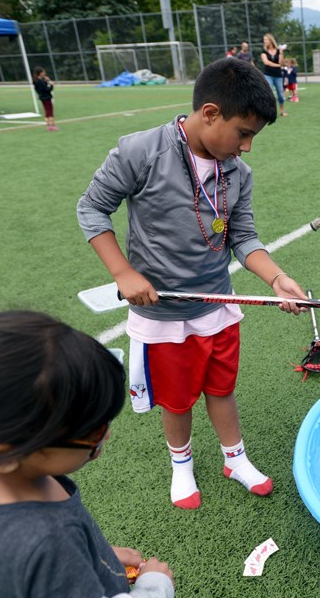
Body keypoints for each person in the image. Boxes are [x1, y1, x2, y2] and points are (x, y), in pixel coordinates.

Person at [77, 58, 307, 510]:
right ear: (210, 113)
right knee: (178, 401)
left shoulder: (238, 173)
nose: (247, 147)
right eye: (243, 133)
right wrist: (124, 273)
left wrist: (278, 278)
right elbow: (91, 209)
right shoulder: (140, 151)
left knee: (222, 388)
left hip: (217, 305)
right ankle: (181, 466)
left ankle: (234, 458)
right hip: (163, 316)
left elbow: (242, 237)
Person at [0, 311, 175, 598]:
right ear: (4, 456)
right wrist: (155, 589)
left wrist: (94, 559)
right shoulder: (44, 540)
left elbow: (23, 576)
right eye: (94, 430)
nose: (106, 438)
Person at [260, 33, 287, 117]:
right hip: (268, 75)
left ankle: (282, 111)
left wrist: (281, 53)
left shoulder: (278, 51)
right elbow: (266, 62)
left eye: (266, 40)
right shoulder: (263, 52)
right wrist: (278, 66)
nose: (264, 41)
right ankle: (269, 112)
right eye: (264, 40)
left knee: (280, 95)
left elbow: (281, 62)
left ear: (271, 40)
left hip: (278, 76)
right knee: (269, 93)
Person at [33, 66, 58, 131]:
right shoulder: (40, 81)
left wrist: (47, 81)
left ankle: (48, 125)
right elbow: (47, 89)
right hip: (46, 97)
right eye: (43, 72)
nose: (44, 73)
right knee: (50, 111)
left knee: (47, 111)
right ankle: (52, 125)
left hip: (42, 97)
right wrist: (51, 85)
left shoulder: (36, 81)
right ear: (40, 73)